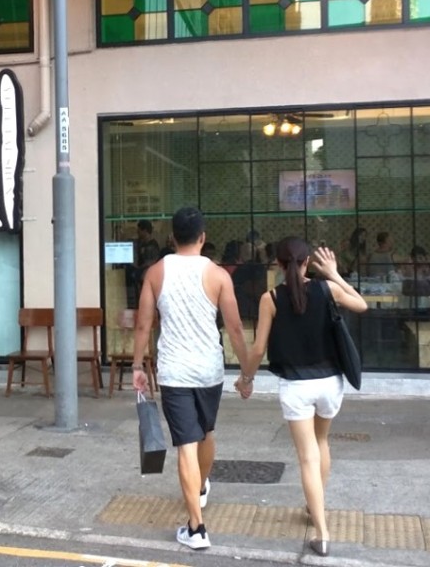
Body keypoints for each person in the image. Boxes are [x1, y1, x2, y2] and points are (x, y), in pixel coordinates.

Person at [236, 237, 368, 558]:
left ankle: (322, 534)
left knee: (307, 457)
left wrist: (246, 379)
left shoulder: (270, 299)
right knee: (321, 443)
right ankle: (316, 506)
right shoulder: (327, 289)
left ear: (278, 265)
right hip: (330, 384)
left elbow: (258, 349)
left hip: (296, 387)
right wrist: (334, 274)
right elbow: (361, 305)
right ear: (307, 262)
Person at [131, 206, 250, 551]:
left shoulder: (155, 272)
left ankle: (196, 529)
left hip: (175, 371)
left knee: (186, 443)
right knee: (206, 432)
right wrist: (246, 372)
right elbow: (235, 328)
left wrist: (137, 366)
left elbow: (143, 324)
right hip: (209, 370)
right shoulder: (218, 275)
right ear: (203, 237)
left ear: (172, 237)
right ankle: (200, 488)